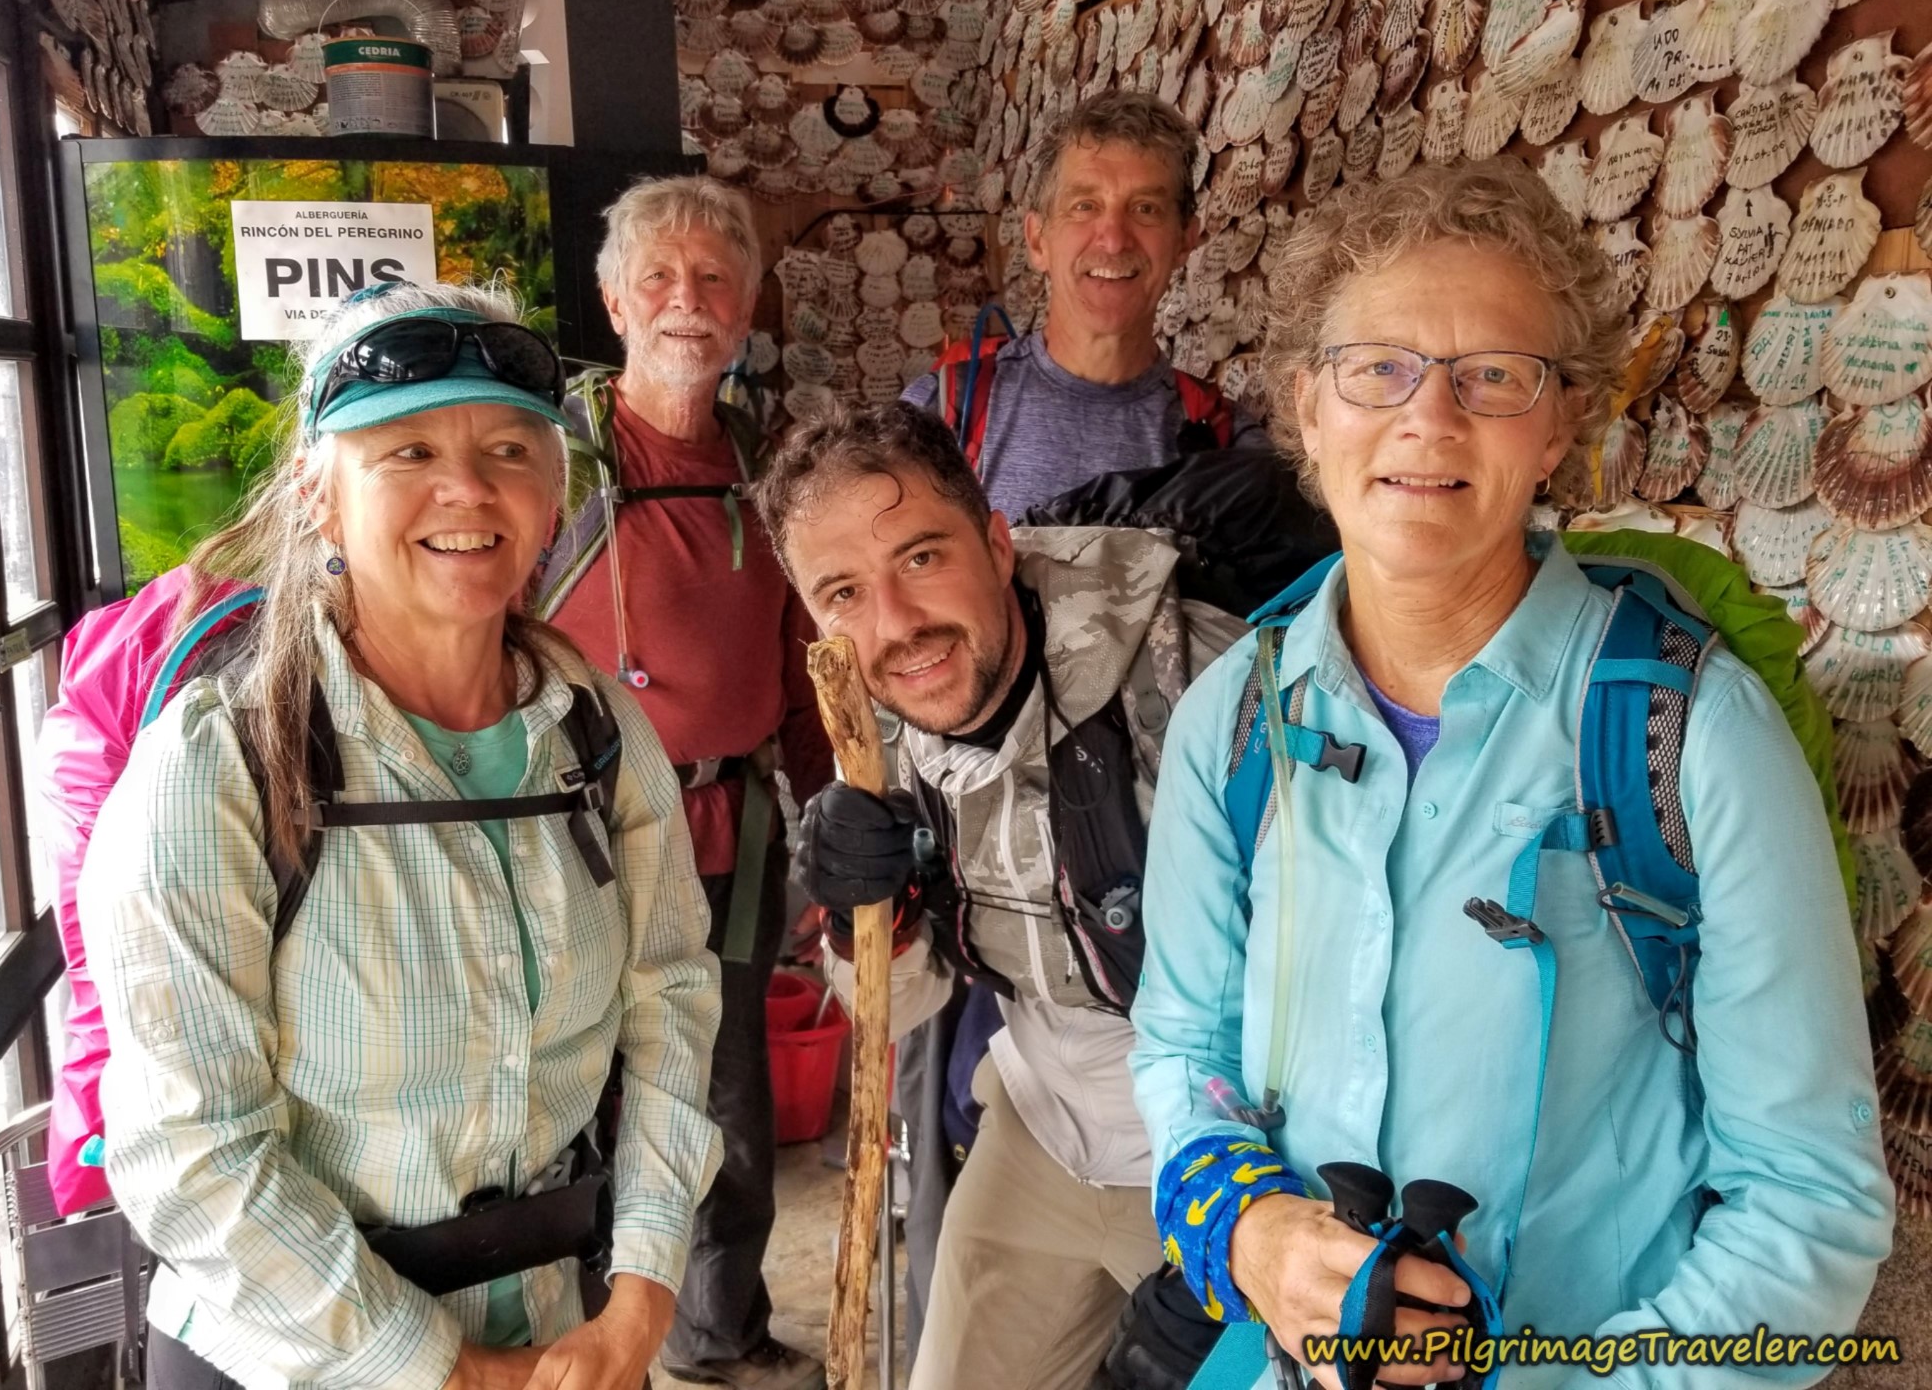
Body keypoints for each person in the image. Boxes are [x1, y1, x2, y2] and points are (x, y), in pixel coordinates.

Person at [1129, 158, 1894, 1388]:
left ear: (1559, 426)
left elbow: (1809, 1200)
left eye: (1493, 376)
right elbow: (1182, 1043)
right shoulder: (1238, 718)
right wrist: (1251, 1232)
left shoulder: (1691, 737)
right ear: (1308, 408)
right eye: (1377, 368)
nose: (1429, 419)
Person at [78, 281, 723, 1390]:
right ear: (319, 496)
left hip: (556, 1325)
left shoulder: (598, 737)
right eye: (408, 450)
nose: (467, 488)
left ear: (553, 494)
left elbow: (671, 998)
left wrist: (643, 1293)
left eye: (510, 450)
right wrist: (453, 1370)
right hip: (298, 1361)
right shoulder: (220, 768)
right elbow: (194, 1152)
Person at [755, 398, 1260, 1390]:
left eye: (920, 557)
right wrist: (868, 915)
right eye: (843, 592)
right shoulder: (878, 735)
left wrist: (1255, 1216)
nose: (897, 624)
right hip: (1041, 1125)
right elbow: (904, 1006)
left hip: (1234, 1146)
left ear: (997, 545)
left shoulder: (1198, 678)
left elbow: (1351, 982)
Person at [534, 176, 832, 1390]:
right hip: (578, 839)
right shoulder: (553, 461)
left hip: (731, 836)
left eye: (714, 278)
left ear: (748, 305)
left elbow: (806, 664)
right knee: (571, 1101)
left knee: (724, 1104)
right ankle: (580, 1340)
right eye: (657, 276)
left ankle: (716, 1335)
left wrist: (829, 813)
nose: (686, 300)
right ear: (614, 302)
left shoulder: (769, 462)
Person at [902, 89, 1251, 521]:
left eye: (1145, 208)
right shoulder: (936, 415)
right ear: (1037, 240)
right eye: (1084, 206)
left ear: (1184, 241)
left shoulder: (1226, 442)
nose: (1114, 239)